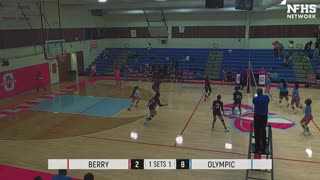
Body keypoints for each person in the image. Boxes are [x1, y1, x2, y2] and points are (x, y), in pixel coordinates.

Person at [252, 88, 270, 154]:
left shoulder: (255, 98)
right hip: (264, 116)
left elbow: (254, 103)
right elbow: (268, 101)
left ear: (257, 92)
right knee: (263, 129)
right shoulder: (266, 97)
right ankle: (264, 145)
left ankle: (257, 145)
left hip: (257, 116)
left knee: (257, 130)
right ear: (262, 92)